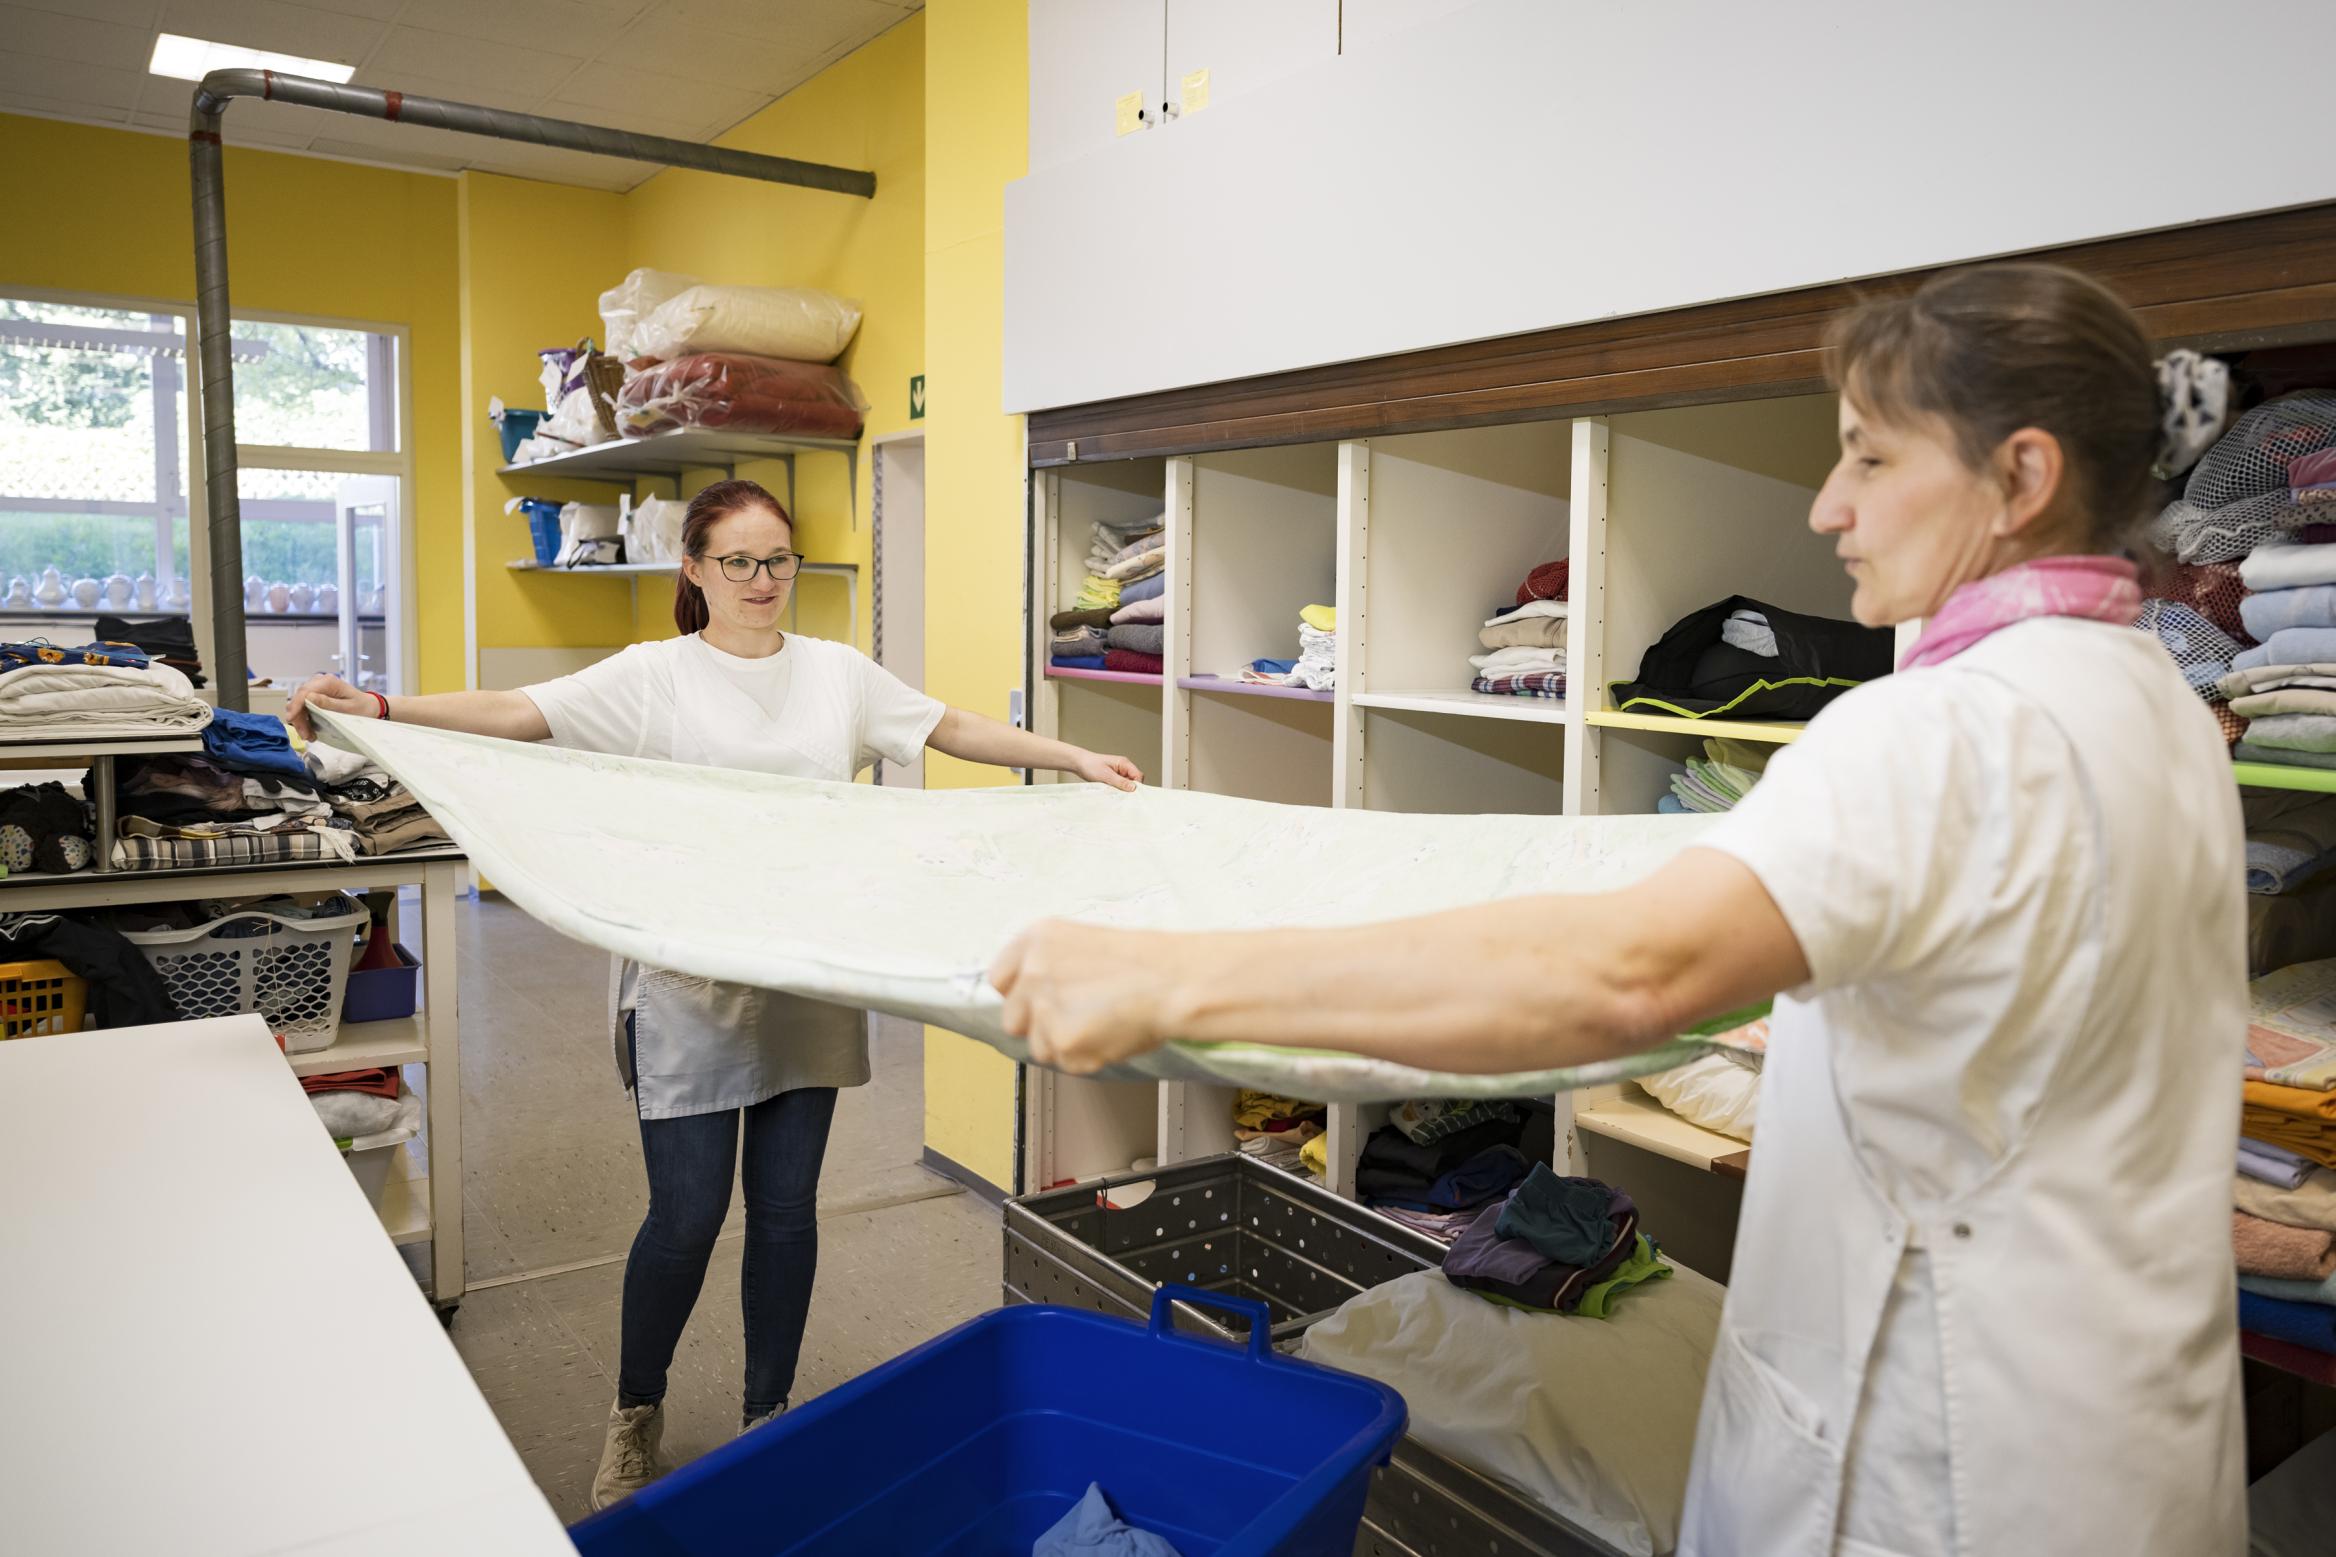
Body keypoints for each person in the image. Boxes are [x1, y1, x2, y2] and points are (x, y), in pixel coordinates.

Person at [988, 264, 2247, 1555]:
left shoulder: (1943, 730)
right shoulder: (2157, 705)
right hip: (2124, 1456)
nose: (1827, 507)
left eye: (1868, 459)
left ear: (2022, 477)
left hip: (1951, 1480)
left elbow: (1627, 979)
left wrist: (1171, 980)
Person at [290, 478, 1141, 1510]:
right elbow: (515, 712)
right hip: (689, 982)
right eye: (735, 560)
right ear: (692, 568)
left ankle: (768, 1416)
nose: (760, 580)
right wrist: (381, 707)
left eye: (776, 560)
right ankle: (634, 1413)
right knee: (686, 1214)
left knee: (785, 1213)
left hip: (808, 973)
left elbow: (950, 727)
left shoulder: (837, 674)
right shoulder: (654, 676)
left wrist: (1070, 758)